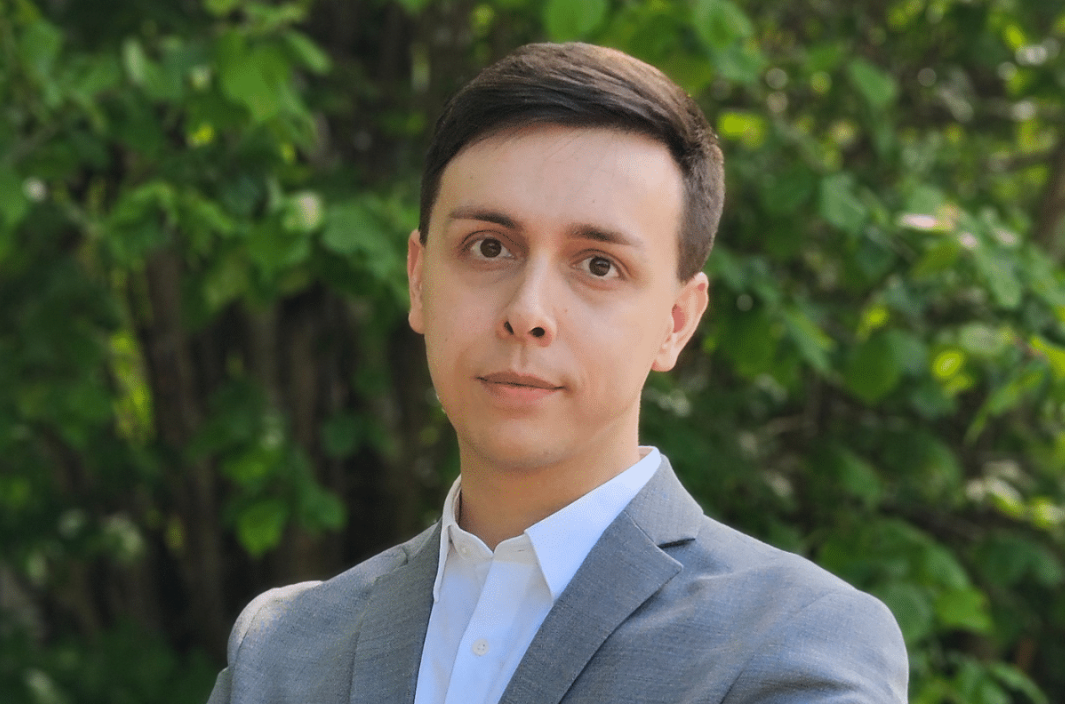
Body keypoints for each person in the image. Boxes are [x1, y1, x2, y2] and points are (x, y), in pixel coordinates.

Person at [205, 42, 908, 704]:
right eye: (489, 247)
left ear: (676, 321)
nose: (528, 312)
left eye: (599, 265)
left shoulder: (793, 640)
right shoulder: (284, 649)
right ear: (419, 280)